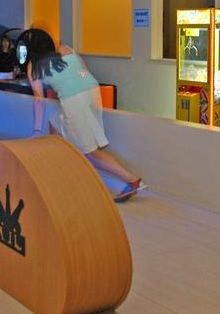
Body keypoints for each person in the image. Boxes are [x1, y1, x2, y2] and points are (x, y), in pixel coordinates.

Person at [24, 28, 142, 202]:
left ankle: (132, 180)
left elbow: (39, 100)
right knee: (55, 124)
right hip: (93, 91)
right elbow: (83, 71)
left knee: (91, 151)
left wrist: (35, 130)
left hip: (74, 100)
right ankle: (63, 170)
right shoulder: (66, 49)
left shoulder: (33, 65)